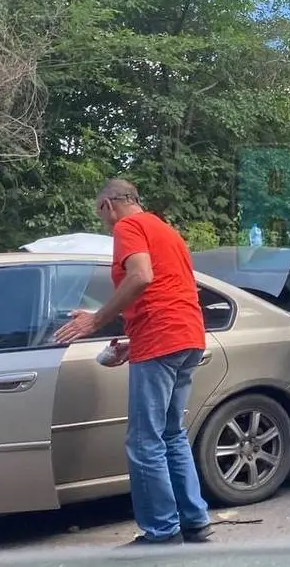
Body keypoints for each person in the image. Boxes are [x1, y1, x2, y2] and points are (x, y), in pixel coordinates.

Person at [55, 179, 212, 546]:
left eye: (100, 212)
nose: (103, 222)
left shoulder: (128, 227)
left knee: (144, 442)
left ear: (109, 204)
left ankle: (161, 531)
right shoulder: (166, 230)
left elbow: (141, 276)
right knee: (171, 434)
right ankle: (194, 520)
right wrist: (131, 338)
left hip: (162, 340)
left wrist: (96, 320)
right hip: (186, 337)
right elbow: (169, 291)